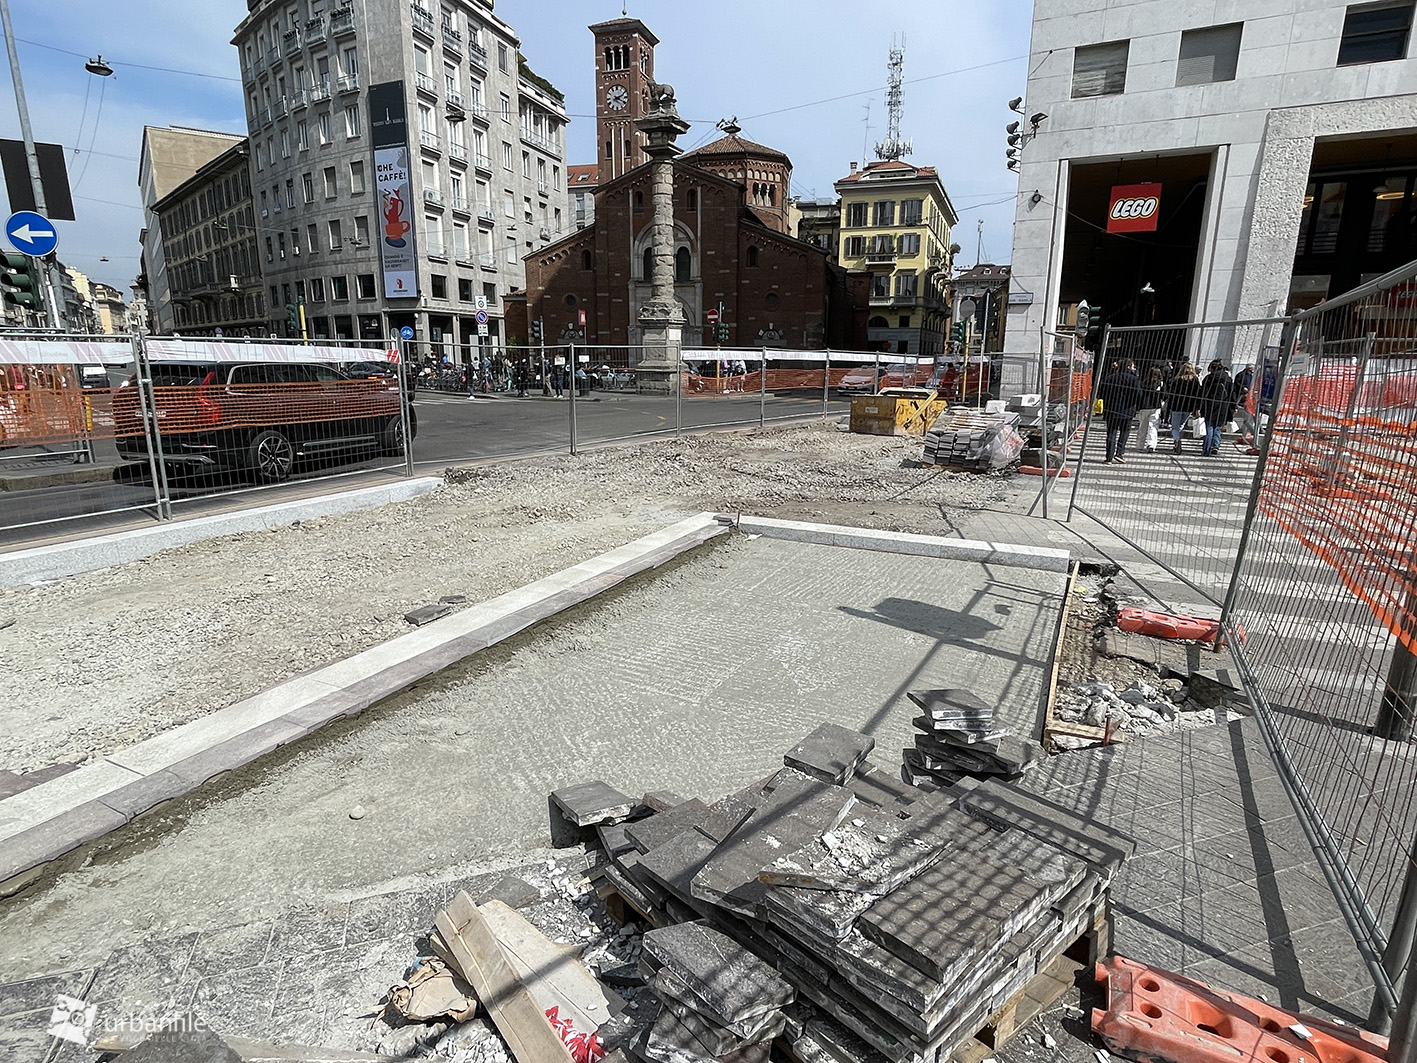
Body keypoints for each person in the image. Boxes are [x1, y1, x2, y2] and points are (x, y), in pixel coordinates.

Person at [1097, 358, 1142, 464]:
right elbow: (1139, 394)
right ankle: (1120, 452)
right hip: (1127, 409)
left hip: (1111, 409)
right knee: (1124, 432)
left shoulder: (1109, 378)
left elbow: (1101, 393)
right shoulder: (1133, 379)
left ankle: (1109, 457)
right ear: (1128, 367)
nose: (1134, 368)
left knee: (1111, 432)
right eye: (1132, 366)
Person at [1199, 358, 1235, 456]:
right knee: (1218, 427)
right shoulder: (1228, 379)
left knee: (1209, 426)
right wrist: (1233, 407)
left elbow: (1203, 393)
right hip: (1223, 405)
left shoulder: (1208, 378)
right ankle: (1215, 446)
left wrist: (1199, 406)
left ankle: (1206, 449)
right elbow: (1232, 394)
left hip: (1209, 405)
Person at [1165, 362, 1202, 454]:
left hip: (1176, 406)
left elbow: (1171, 395)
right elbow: (1198, 395)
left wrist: (1167, 409)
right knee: (1181, 425)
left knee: (1174, 427)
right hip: (1188, 407)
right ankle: (1177, 440)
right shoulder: (1195, 381)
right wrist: (1197, 407)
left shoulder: (1177, 380)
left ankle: (1177, 440)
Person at [1137, 366, 1166, 452]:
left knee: (1142, 426)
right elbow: (1164, 396)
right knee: (1153, 426)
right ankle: (1151, 444)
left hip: (1144, 406)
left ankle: (1140, 444)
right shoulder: (1160, 383)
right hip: (1155, 406)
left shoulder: (1143, 383)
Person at [1232, 363, 1256, 444]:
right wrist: (1243, 388)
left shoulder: (1252, 375)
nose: (1252, 370)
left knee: (1249, 415)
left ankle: (1246, 432)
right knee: (1245, 415)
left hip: (1249, 396)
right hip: (1241, 395)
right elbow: (1236, 383)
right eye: (1251, 368)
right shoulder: (1241, 375)